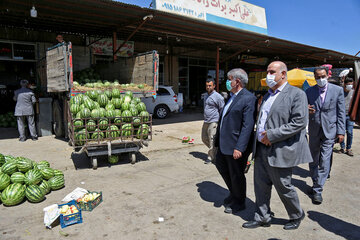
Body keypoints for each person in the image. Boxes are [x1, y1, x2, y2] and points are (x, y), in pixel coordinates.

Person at [243, 61, 312, 230]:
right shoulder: (267, 95)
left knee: (284, 186)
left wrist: (272, 136)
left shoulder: (296, 94)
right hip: (261, 148)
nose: (268, 75)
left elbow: (299, 122)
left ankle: (296, 214)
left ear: (283, 74)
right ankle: (262, 217)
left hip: (280, 149)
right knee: (260, 186)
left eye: (272, 72)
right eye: (267, 71)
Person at [214, 68, 257, 214]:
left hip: (235, 146)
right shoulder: (231, 96)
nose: (226, 81)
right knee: (222, 167)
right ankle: (233, 193)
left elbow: (247, 125)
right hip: (223, 144)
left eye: (229, 79)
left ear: (237, 81)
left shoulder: (248, 98)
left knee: (236, 174)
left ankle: (240, 201)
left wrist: (240, 147)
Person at [306, 66, 345, 204]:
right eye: (317, 77)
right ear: (314, 77)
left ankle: (318, 190)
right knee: (313, 159)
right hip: (314, 129)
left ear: (327, 75)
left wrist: (341, 131)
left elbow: (341, 112)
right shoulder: (309, 91)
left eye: (323, 76)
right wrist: (307, 109)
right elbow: (305, 107)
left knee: (324, 159)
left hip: (330, 130)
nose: (320, 79)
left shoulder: (338, 90)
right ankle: (315, 182)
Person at [201, 79, 224, 164]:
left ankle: (211, 158)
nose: (208, 87)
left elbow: (222, 109)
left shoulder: (218, 97)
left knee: (211, 139)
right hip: (206, 121)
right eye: (207, 85)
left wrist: (220, 121)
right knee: (204, 138)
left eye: (210, 85)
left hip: (214, 121)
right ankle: (216, 151)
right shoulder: (206, 95)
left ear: (214, 86)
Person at [340, 77, 354, 156]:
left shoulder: (353, 92)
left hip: (349, 116)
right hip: (341, 115)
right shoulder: (340, 92)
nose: (350, 86)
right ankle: (342, 147)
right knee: (341, 132)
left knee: (350, 132)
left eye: (351, 84)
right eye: (348, 84)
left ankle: (348, 148)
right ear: (344, 84)